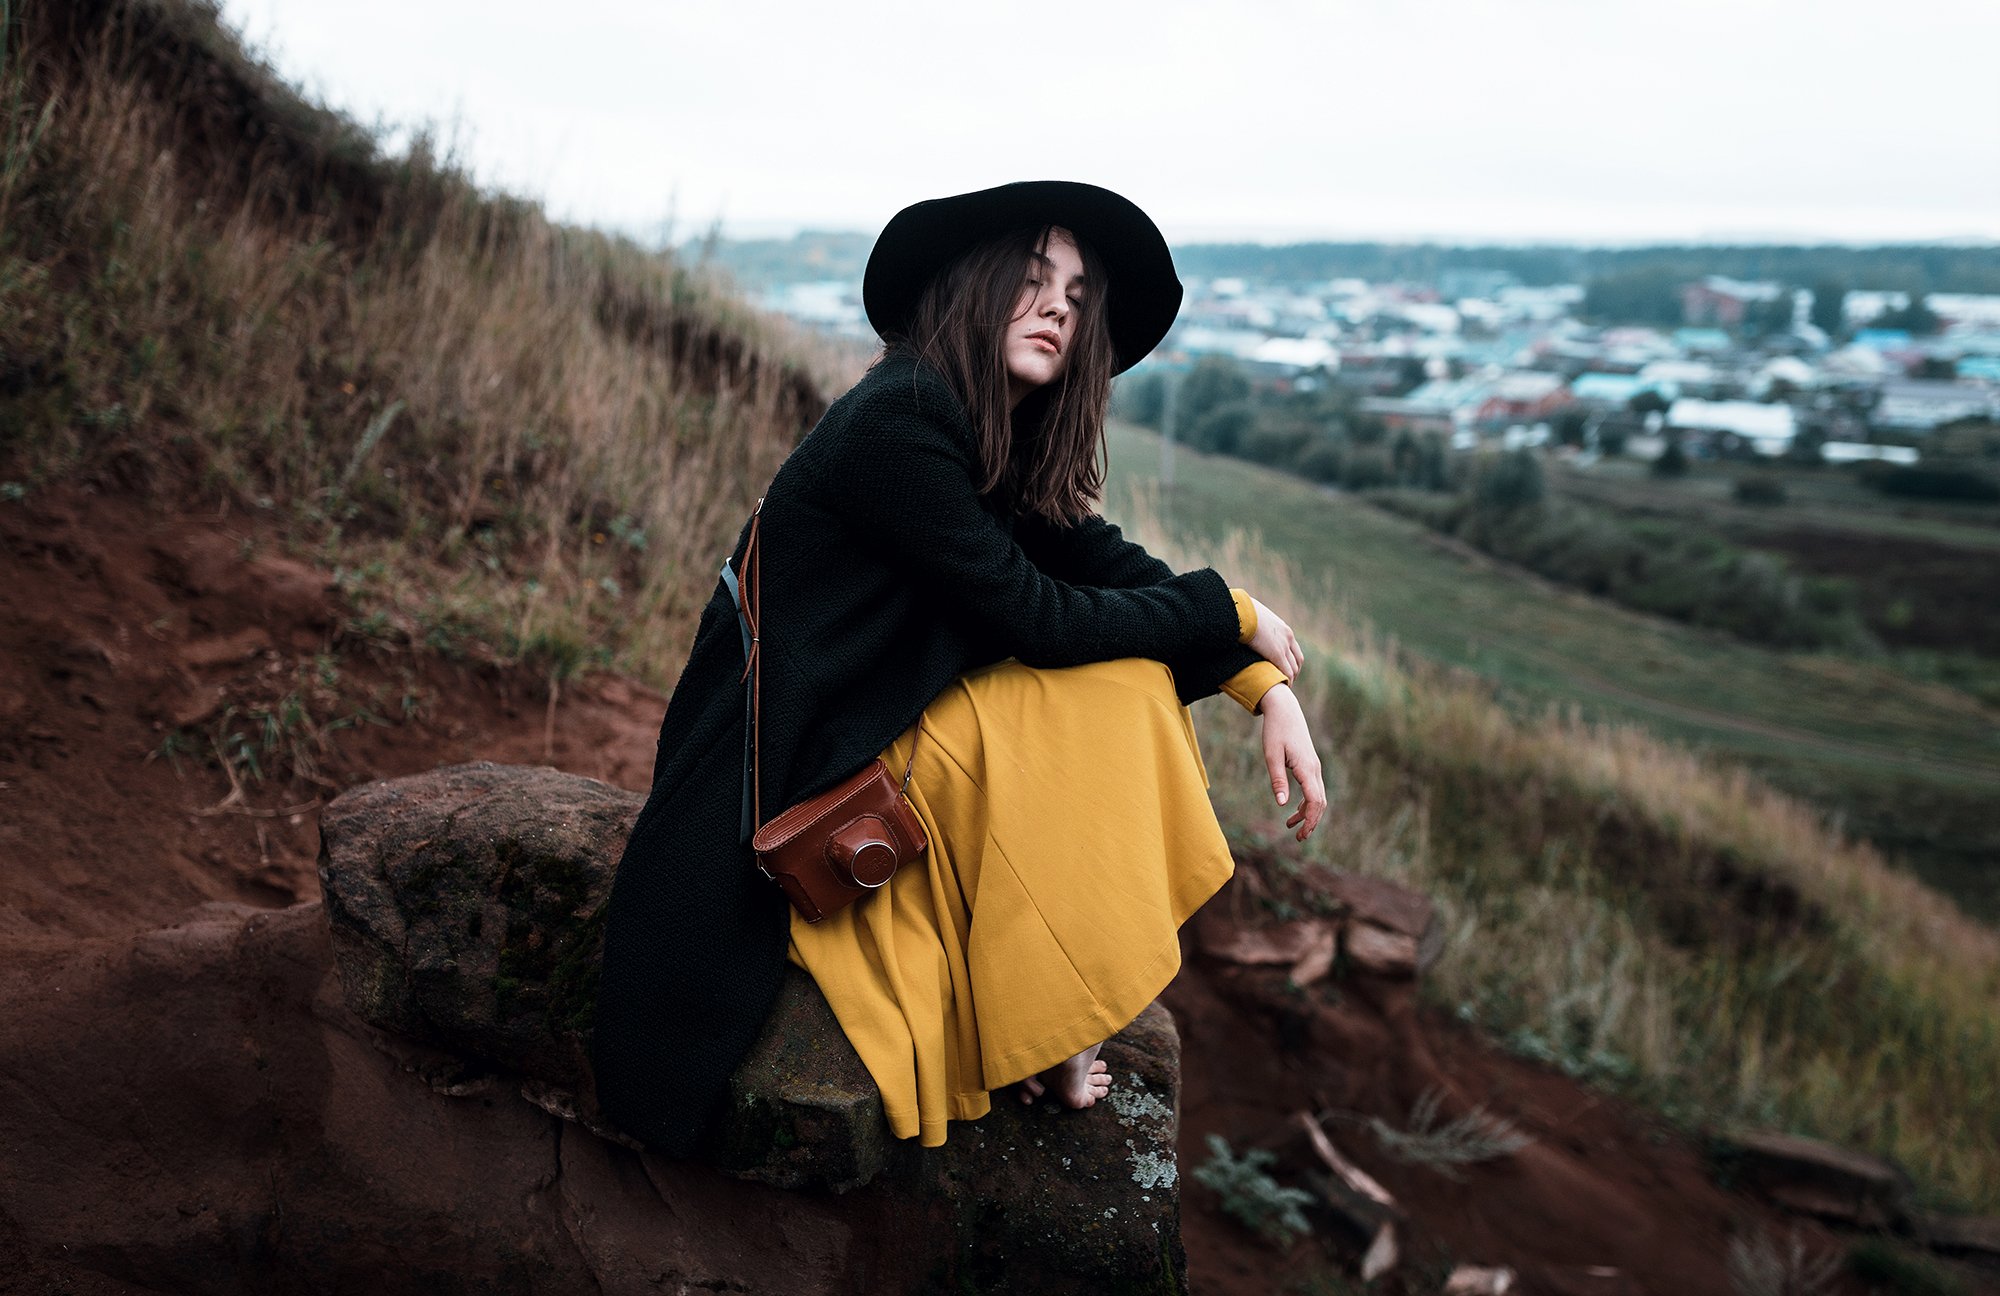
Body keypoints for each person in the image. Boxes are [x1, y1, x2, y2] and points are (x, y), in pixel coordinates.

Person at [591, 180, 1326, 1157]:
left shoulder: (987, 437)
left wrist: (1260, 683)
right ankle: (1054, 1023)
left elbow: (1104, 565)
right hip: (794, 768)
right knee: (1109, 690)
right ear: (973, 288)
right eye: (1032, 280)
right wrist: (1231, 607)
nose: (1057, 309)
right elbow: (1039, 618)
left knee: (1118, 685)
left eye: (1076, 298)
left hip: (868, 731)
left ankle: (1054, 1013)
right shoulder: (898, 422)